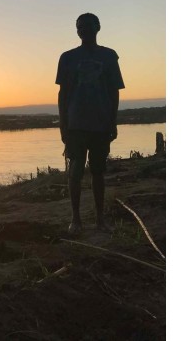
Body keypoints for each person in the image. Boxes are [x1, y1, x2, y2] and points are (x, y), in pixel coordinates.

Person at [56, 13, 125, 235]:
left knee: (98, 171)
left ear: (98, 27)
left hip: (101, 122)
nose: (83, 29)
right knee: (75, 170)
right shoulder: (67, 57)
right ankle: (76, 220)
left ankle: (100, 219)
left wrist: (113, 122)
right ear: (77, 31)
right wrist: (63, 125)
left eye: (87, 25)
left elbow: (114, 92)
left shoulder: (109, 56)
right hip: (75, 123)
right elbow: (63, 93)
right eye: (79, 27)